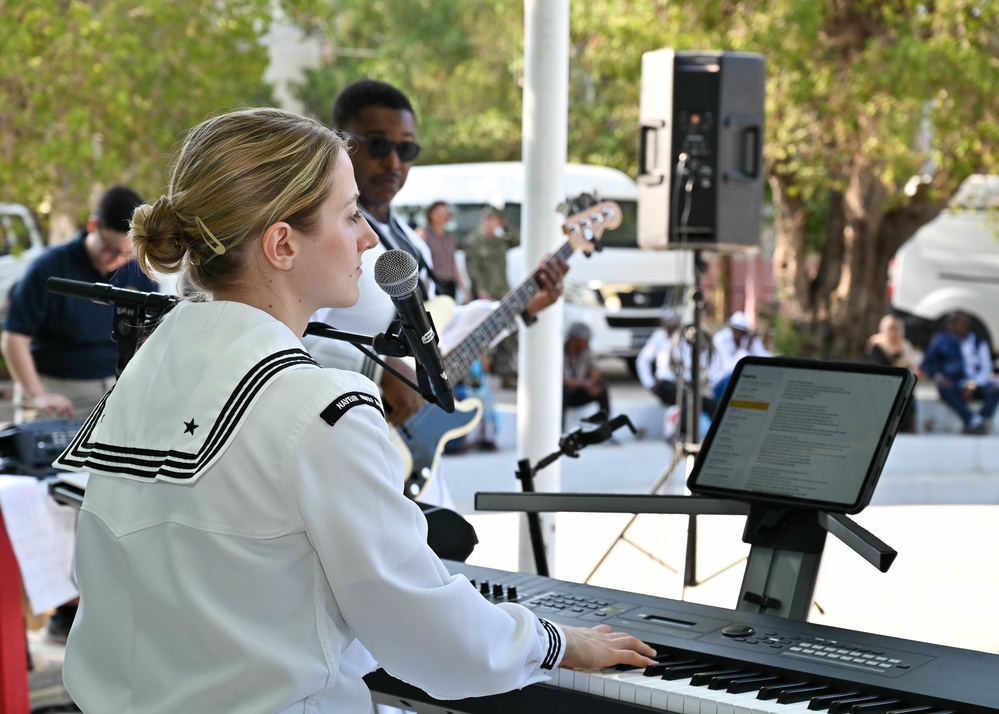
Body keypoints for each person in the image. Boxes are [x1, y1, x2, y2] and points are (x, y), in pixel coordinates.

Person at [52, 107, 654, 714]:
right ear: (282, 244)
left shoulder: (142, 375)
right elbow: (429, 634)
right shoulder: (317, 410)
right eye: (348, 215)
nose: (368, 237)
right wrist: (556, 640)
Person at [304, 79, 567, 508]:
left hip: (412, 455)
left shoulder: (413, 243)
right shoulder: (321, 236)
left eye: (406, 149)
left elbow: (446, 329)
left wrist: (523, 307)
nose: (393, 161)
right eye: (377, 145)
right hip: (344, 447)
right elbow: (283, 331)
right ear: (342, 145)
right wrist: (379, 369)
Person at [1, 186, 158, 425]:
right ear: (93, 226)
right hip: (56, 390)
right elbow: (14, 338)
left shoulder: (139, 272)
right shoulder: (48, 268)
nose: (116, 261)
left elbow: (146, 338)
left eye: (127, 254)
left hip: (115, 387)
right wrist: (37, 395)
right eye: (110, 250)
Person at [636, 306, 721, 440]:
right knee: (689, 399)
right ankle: (681, 432)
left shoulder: (684, 338)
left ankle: (718, 432)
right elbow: (642, 360)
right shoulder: (658, 338)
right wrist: (649, 383)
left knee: (708, 402)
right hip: (665, 384)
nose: (670, 327)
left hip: (684, 384)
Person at [464, 206, 521, 389]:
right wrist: (480, 290)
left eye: (496, 220)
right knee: (484, 333)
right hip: (485, 293)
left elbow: (518, 240)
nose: (493, 224)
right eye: (491, 220)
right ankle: (479, 374)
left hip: (503, 291)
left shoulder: (501, 240)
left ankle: (504, 371)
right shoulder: (474, 241)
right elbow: (473, 269)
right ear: (485, 221)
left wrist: (505, 227)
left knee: (509, 332)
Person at [920, 310, 999, 434]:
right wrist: (938, 376)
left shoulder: (978, 341)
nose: (952, 325)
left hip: (976, 383)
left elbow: (986, 368)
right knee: (944, 389)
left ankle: (980, 421)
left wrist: (973, 384)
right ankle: (973, 420)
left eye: (956, 322)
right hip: (953, 383)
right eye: (951, 322)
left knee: (995, 391)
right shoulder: (942, 340)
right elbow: (926, 363)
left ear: (966, 324)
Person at [866, 314, 921, 433]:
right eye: (891, 328)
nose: (895, 331)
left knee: (909, 393)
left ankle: (910, 428)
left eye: (897, 328)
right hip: (882, 383)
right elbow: (881, 366)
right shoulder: (877, 343)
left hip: (902, 382)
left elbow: (913, 367)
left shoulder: (905, 345)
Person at [415, 200, 467, 300]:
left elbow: (453, 264)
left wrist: (464, 288)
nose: (443, 216)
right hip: (432, 285)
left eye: (445, 213)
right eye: (439, 213)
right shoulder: (423, 234)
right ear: (431, 214)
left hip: (450, 285)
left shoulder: (450, 238)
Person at [563, 322, 610, 426]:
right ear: (574, 340)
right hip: (565, 395)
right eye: (585, 339)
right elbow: (563, 381)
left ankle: (603, 427)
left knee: (602, 386)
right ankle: (559, 431)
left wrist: (593, 380)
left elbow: (593, 369)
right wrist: (585, 384)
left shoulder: (587, 351)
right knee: (561, 392)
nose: (588, 342)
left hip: (581, 391)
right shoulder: (561, 353)